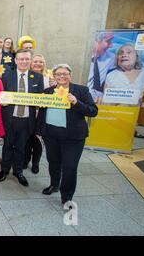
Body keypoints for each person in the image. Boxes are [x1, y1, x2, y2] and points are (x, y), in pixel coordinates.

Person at [37, 64, 98, 205]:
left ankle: (67, 196)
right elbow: (41, 112)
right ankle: (54, 185)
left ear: (70, 75)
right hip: (51, 135)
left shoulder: (81, 91)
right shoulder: (47, 92)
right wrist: (39, 130)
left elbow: (93, 111)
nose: (62, 77)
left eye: (65, 74)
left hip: (73, 137)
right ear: (54, 76)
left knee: (70, 167)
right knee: (53, 163)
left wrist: (76, 102)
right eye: (58, 74)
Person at [0, 49, 44, 187]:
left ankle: (18, 172)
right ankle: (4, 169)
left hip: (27, 120)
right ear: (16, 60)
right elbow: (0, 95)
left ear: (30, 61)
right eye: (21, 59)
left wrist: (40, 102)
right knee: (7, 145)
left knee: (21, 147)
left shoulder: (37, 77)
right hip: (10, 118)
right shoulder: (6, 76)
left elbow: (40, 97)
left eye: (27, 59)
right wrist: (2, 101)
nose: (24, 61)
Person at [24, 54, 53, 174]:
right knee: (26, 138)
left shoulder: (49, 77)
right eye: (35, 61)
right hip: (28, 110)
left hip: (42, 113)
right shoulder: (27, 75)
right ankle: (25, 160)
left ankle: (36, 162)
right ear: (31, 63)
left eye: (41, 62)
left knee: (38, 139)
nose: (38, 64)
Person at [87, 32, 115, 101]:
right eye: (108, 41)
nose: (111, 45)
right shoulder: (81, 57)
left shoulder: (111, 58)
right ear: (95, 41)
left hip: (99, 100)